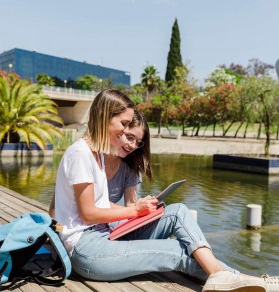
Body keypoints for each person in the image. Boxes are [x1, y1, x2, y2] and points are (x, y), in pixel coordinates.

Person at [54, 89, 270, 292]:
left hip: (104, 237)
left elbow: (100, 204)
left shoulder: (97, 154)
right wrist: (135, 211)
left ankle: (234, 279)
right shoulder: (80, 153)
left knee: (176, 212)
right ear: (105, 116)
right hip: (87, 250)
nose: (125, 130)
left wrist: (144, 210)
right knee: (178, 251)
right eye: (124, 123)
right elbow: (88, 213)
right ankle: (242, 280)